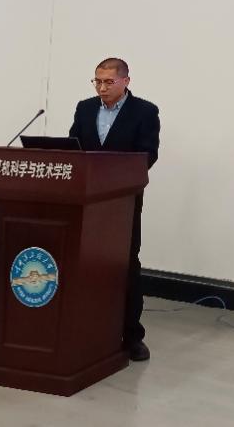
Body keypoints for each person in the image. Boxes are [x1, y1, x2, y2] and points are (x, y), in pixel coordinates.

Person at [69, 57, 160, 362]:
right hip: (85, 202)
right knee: (84, 263)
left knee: (125, 264)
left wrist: (112, 178)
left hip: (122, 203)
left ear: (125, 81)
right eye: (97, 81)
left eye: (109, 82)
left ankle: (131, 335)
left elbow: (147, 155)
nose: (102, 88)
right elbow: (73, 148)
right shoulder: (85, 108)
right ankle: (88, 330)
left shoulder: (145, 111)